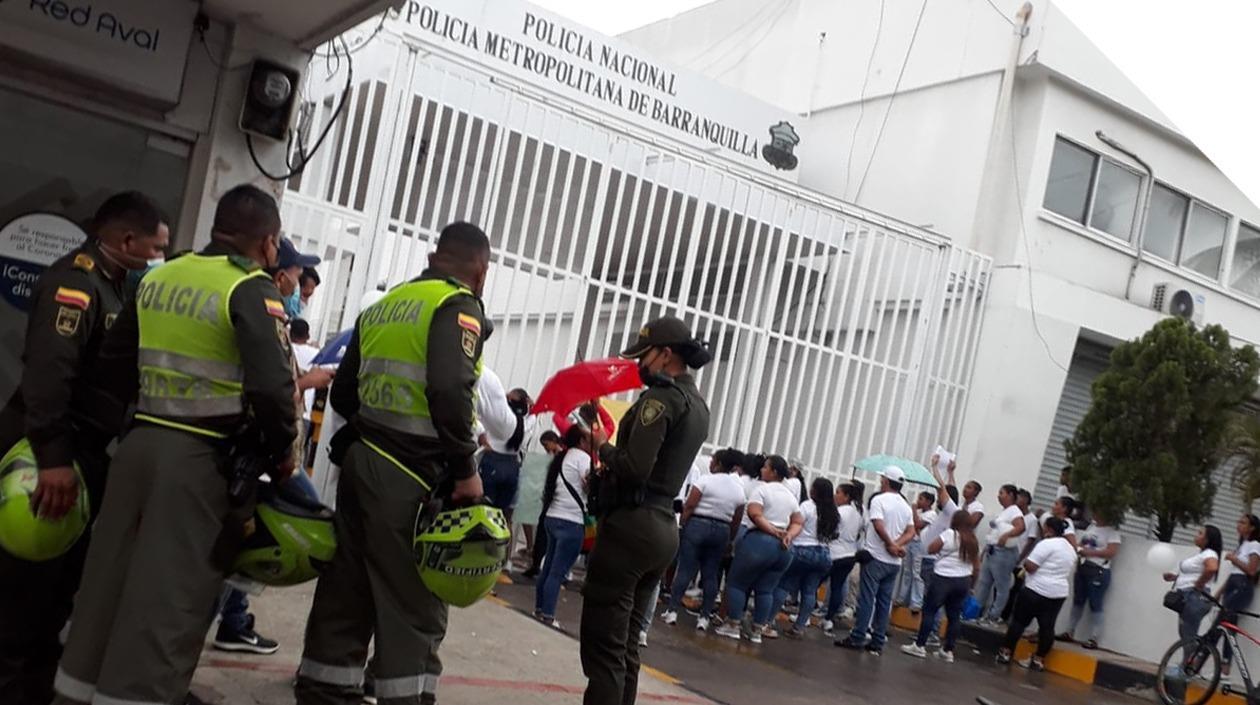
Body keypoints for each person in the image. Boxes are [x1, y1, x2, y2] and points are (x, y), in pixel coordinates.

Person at [52, 185, 297, 705]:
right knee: (169, 596)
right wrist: (280, 453)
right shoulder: (250, 289)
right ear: (268, 242)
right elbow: (274, 392)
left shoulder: (159, 276)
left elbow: (113, 367)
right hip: (199, 460)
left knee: (105, 584)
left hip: (138, 446)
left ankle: (73, 692)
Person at [295, 222, 491, 705]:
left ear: (432, 256)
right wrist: (466, 471)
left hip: (362, 462)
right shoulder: (457, 305)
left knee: (347, 590)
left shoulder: (384, 307)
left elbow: (343, 394)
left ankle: (324, 689)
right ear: (481, 271)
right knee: (412, 602)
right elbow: (449, 390)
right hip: (412, 475)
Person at [0, 192, 168, 705]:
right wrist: (53, 459)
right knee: (23, 591)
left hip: (83, 450)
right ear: (127, 240)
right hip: (50, 449)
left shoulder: (114, 284)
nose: (160, 257)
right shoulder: (76, 283)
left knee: (55, 591)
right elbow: (49, 374)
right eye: (157, 248)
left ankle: (33, 687)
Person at [579, 316, 710, 705]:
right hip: (662, 527)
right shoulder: (697, 404)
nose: (640, 364)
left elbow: (636, 468)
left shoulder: (659, 399)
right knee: (627, 646)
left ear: (665, 354)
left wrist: (602, 445)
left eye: (644, 356)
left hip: (631, 529)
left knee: (604, 648)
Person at [214, 237, 325, 656]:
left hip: (265, 452)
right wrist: (307, 384)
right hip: (263, 454)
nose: (300, 286)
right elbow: (270, 389)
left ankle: (233, 619)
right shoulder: (262, 314)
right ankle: (227, 620)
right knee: (297, 523)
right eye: (297, 276)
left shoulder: (269, 317)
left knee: (245, 539)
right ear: (280, 278)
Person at [714, 456, 802, 643]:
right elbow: (797, 522)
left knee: (737, 584)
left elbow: (754, 514)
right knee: (766, 590)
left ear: (774, 472)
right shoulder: (790, 496)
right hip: (783, 549)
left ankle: (733, 625)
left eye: (765, 467)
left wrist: (771, 529)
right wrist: (788, 535)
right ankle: (756, 630)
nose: (762, 469)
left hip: (759, 543)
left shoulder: (761, 490)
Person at [661, 448, 745, 630]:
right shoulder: (738, 489)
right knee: (710, 573)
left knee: (685, 569)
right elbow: (737, 518)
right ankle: (704, 617)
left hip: (698, 525)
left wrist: (683, 524)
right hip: (722, 529)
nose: (710, 463)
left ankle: (672, 611)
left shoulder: (705, 480)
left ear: (719, 464)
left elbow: (690, 505)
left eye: (713, 460)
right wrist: (730, 539)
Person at [837, 466, 915, 654]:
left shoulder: (879, 500)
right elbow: (911, 531)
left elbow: (878, 526)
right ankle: (878, 639)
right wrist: (896, 545)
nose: (880, 481)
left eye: (882, 479)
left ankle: (858, 636)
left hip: (876, 557)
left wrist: (890, 544)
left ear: (886, 481)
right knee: (883, 601)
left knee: (866, 599)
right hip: (893, 562)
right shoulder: (905, 506)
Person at [996, 516, 1077, 671]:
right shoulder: (1069, 549)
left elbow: (1031, 566)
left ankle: (1005, 653)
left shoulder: (1046, 544)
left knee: (1019, 622)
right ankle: (1038, 660)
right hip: (1058, 593)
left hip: (1035, 589)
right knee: (1047, 627)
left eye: (1044, 528)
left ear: (1049, 530)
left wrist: (1025, 565)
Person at [901, 510, 980, 663]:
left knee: (930, 610)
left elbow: (931, 548)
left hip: (943, 578)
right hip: (963, 581)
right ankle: (948, 650)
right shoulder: (973, 540)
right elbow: (977, 567)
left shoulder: (950, 534)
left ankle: (920, 645)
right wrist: (971, 586)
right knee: (954, 616)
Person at [535, 425, 593, 627]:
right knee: (557, 572)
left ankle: (540, 608)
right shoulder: (583, 459)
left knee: (548, 567)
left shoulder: (561, 458)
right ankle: (549, 615)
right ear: (581, 441)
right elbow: (588, 484)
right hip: (571, 521)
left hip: (552, 517)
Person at [772, 477, 840, 638]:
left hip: (802, 550)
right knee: (810, 592)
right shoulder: (833, 512)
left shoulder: (807, 506)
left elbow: (795, 524)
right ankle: (799, 627)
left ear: (815, 491)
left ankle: (767, 620)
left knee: (784, 585)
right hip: (823, 554)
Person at [1164, 525, 1223, 671]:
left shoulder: (1209, 553)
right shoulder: (1202, 554)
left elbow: (1211, 568)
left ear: (1207, 539)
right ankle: (1187, 665)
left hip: (1194, 598)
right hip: (1189, 596)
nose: (1196, 535)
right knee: (1186, 633)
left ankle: (1187, 668)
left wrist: (1199, 584)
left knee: (1188, 635)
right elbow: (1195, 574)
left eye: (1200, 533)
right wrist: (1176, 578)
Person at [973, 484, 1026, 625]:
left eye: (1002, 493)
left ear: (1010, 495)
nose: (998, 496)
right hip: (992, 550)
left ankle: (993, 616)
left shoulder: (1014, 511)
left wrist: (1007, 536)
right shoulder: (1004, 512)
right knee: (984, 583)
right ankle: (975, 611)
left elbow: (1021, 527)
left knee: (1001, 586)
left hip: (1004, 553)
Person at [1217, 515, 1260, 676]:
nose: (1238, 525)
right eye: (1238, 521)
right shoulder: (1242, 545)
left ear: (1252, 528)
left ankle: (1201, 658)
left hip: (1242, 586)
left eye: (1243, 522)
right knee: (1228, 625)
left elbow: (1252, 570)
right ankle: (1224, 667)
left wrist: (1234, 559)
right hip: (1232, 585)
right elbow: (1233, 573)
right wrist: (1219, 593)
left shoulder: (1255, 545)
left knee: (1221, 622)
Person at [822, 481, 864, 634]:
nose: (835, 495)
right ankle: (828, 619)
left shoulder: (839, 512)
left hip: (834, 553)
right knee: (837, 587)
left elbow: (830, 530)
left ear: (846, 496)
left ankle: (804, 615)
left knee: (813, 583)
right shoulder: (858, 514)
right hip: (850, 555)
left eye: (838, 492)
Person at [524, 430, 565, 580]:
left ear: (554, 441)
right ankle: (537, 563)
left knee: (546, 533)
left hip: (556, 499)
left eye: (546, 445)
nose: (546, 449)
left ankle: (540, 564)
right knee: (543, 532)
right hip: (549, 497)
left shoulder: (562, 457)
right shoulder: (555, 457)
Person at [897, 491, 937, 612]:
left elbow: (918, 524)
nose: (918, 501)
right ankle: (902, 598)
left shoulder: (931, 514)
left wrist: (914, 510)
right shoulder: (919, 513)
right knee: (907, 572)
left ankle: (916, 602)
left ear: (929, 502)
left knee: (917, 573)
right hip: (911, 542)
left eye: (921, 499)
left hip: (920, 545)